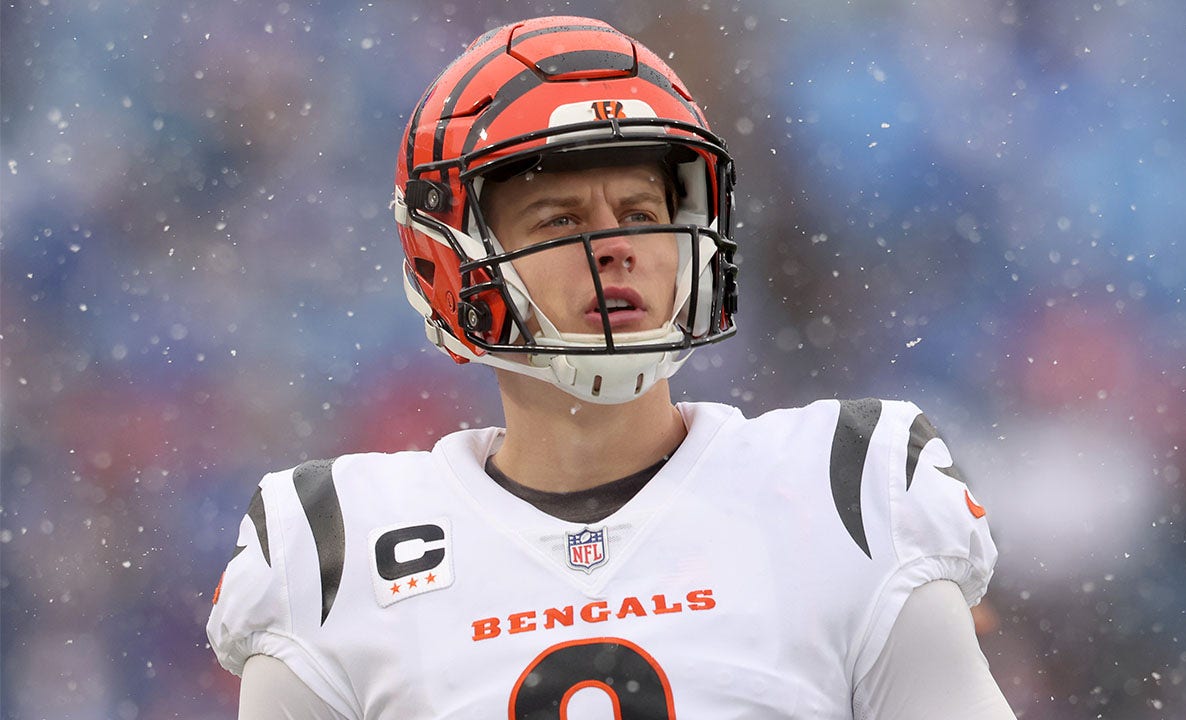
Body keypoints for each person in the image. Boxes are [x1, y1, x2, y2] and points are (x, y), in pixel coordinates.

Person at [206, 15, 1016, 719]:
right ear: (452, 262)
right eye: (561, 219)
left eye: (641, 213)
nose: (616, 245)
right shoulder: (333, 549)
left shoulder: (849, 488)